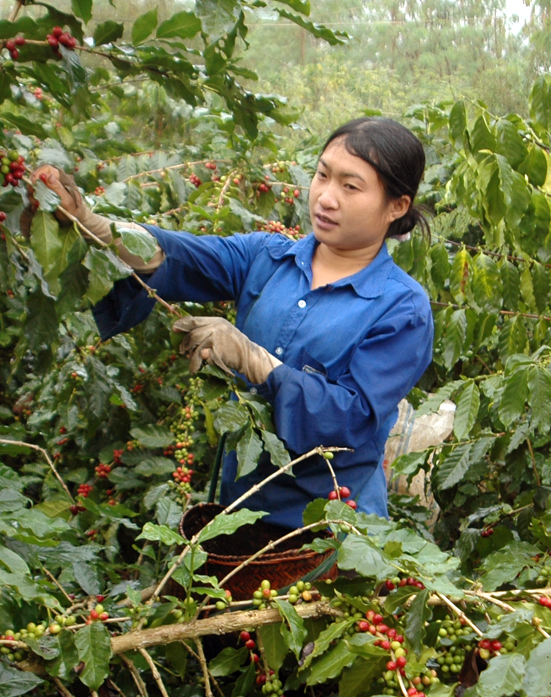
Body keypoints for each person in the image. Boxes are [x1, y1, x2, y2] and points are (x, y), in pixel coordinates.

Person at [32, 118, 435, 530]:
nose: (326, 198)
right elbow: (178, 256)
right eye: (322, 175)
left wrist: (254, 360)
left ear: (396, 206)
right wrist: (90, 221)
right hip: (237, 513)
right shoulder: (267, 256)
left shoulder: (402, 309)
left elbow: (351, 418)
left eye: (350, 187)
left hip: (329, 529)